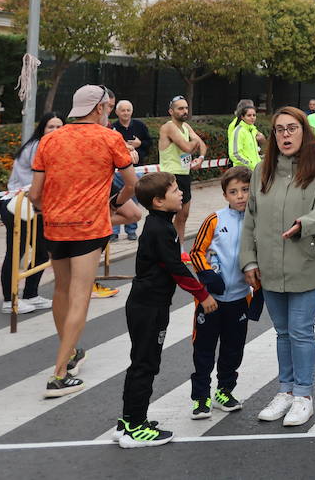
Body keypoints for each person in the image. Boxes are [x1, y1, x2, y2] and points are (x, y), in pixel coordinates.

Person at [30, 85, 138, 397]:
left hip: (54, 225)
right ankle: (59, 375)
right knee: (80, 296)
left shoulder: (50, 139)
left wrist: (49, 209)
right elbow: (132, 183)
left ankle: (72, 351)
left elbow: (36, 194)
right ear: (100, 108)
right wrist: (116, 202)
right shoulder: (109, 138)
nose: (109, 111)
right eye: (107, 107)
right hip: (89, 227)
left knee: (61, 291)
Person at [241, 105, 315, 427]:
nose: (286, 135)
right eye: (280, 130)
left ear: (305, 131)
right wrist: (249, 260)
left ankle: (303, 395)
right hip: (270, 265)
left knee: (300, 331)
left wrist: (306, 223)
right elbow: (251, 217)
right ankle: (284, 390)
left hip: (308, 263)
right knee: (282, 332)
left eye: (292, 128)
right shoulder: (262, 170)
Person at [115, 172, 215, 447]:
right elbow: (176, 270)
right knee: (146, 364)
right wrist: (202, 293)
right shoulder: (162, 229)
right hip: (150, 307)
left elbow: (165, 260)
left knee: (140, 362)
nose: (180, 192)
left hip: (144, 303)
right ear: (158, 201)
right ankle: (136, 427)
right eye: (174, 190)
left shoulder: (158, 225)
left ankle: (128, 420)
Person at [187, 167, 255, 421]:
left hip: (239, 299)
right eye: (234, 192)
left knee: (233, 349)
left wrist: (257, 291)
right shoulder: (214, 220)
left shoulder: (256, 220)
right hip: (211, 301)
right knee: (204, 350)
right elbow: (196, 252)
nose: (240, 196)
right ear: (225, 195)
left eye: (245, 190)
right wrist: (207, 276)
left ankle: (224, 391)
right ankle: (201, 397)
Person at [0, 112, 61, 314]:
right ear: (42, 128)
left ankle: (31, 294)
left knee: (42, 251)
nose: (55, 131)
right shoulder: (37, 147)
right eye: (50, 127)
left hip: (35, 207)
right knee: (15, 253)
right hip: (17, 206)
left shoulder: (51, 146)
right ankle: (10, 300)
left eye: (59, 127)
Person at [159, 96, 207, 244]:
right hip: (170, 176)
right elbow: (187, 147)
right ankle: (163, 248)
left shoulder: (186, 127)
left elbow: (202, 145)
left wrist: (200, 158)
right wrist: (195, 142)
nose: (185, 111)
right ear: (171, 111)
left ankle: (178, 249)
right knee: (167, 216)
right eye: (180, 108)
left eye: (186, 108)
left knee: (183, 215)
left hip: (185, 174)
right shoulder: (168, 127)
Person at [110, 100, 151, 242]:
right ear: (117, 112)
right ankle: (113, 232)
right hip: (116, 172)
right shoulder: (112, 128)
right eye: (123, 110)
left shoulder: (140, 126)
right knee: (116, 199)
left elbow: (149, 144)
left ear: (132, 112)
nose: (125, 113)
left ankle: (131, 230)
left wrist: (140, 144)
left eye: (128, 110)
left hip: (136, 169)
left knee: (133, 200)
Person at [227, 100, 264, 171]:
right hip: (244, 170)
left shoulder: (252, 128)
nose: (252, 117)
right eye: (249, 115)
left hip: (255, 170)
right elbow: (235, 154)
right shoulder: (237, 128)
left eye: (254, 115)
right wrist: (249, 165)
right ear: (242, 116)